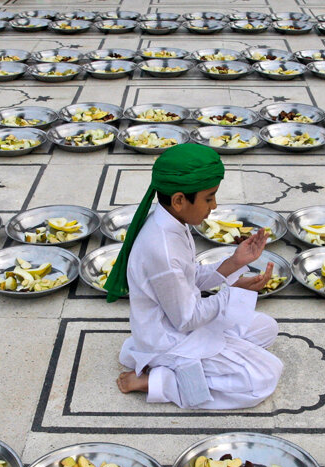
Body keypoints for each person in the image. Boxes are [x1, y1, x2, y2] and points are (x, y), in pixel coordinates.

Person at [104, 143, 283, 409]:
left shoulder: (174, 222)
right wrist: (233, 295)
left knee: (267, 328)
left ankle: (199, 362)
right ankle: (159, 379)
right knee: (265, 375)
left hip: (180, 319)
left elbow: (191, 276)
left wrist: (234, 263)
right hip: (169, 337)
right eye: (209, 198)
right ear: (179, 200)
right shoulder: (162, 248)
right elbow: (187, 319)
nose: (214, 206)